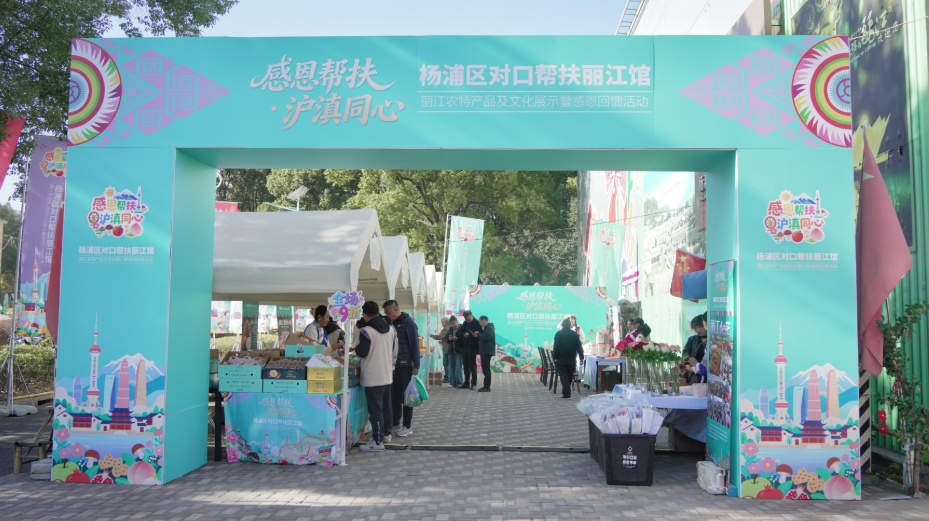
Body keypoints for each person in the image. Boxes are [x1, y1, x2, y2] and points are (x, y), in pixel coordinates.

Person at [355, 301, 398, 452]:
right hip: (387, 373)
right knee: (386, 407)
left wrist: (355, 348)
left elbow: (362, 352)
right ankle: (386, 434)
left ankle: (377, 441)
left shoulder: (366, 331)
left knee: (375, 410)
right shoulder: (390, 329)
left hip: (373, 376)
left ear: (365, 314)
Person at [383, 300, 420, 437]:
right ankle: (395, 423)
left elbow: (415, 344)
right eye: (385, 313)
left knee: (406, 396)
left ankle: (407, 426)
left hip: (405, 364)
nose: (387, 315)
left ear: (396, 310)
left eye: (388, 312)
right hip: (392, 365)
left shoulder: (408, 323)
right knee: (394, 396)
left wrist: (416, 365)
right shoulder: (390, 324)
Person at [552, 318, 584, 399]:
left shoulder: (558, 334)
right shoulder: (575, 335)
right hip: (572, 359)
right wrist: (581, 357)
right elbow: (579, 347)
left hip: (561, 359)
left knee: (564, 377)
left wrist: (555, 357)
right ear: (570, 325)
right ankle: (566, 393)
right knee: (569, 377)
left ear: (562, 325)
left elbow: (556, 347)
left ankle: (566, 394)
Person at [681, 313, 707, 385]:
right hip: (694, 377)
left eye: (700, 327)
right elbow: (685, 356)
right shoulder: (692, 340)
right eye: (695, 328)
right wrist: (687, 366)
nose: (698, 330)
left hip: (707, 377)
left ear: (705, 325)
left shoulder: (712, 341)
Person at [457, 310, 480, 390]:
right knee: (465, 365)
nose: (467, 320)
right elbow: (460, 332)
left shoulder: (477, 323)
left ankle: (473, 383)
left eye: (468, 318)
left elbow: (479, 335)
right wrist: (463, 334)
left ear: (471, 315)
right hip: (464, 347)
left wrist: (470, 334)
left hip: (472, 347)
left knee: (472, 365)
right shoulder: (465, 323)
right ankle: (466, 382)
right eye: (466, 319)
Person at [477, 315, 496, 392]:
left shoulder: (489, 328)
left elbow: (486, 337)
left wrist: (478, 335)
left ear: (484, 320)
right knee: (485, 369)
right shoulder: (486, 328)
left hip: (487, 351)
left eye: (480, 321)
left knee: (486, 369)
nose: (479, 323)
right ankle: (486, 386)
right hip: (485, 351)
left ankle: (487, 387)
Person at [445, 316, 464, 388]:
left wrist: (457, 339)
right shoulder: (450, 329)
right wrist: (449, 339)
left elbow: (464, 339)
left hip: (459, 351)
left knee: (458, 367)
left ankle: (459, 382)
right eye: (451, 324)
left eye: (453, 323)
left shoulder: (461, 329)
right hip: (451, 350)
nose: (452, 325)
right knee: (451, 367)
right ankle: (452, 382)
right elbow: (446, 339)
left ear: (457, 322)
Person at [431, 317, 451, 383]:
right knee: (448, 363)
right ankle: (448, 377)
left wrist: (431, 335)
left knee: (446, 363)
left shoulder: (446, 328)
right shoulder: (449, 327)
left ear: (445, 322)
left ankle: (447, 378)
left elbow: (440, 336)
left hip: (447, 349)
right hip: (448, 348)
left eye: (442, 322)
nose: (442, 324)